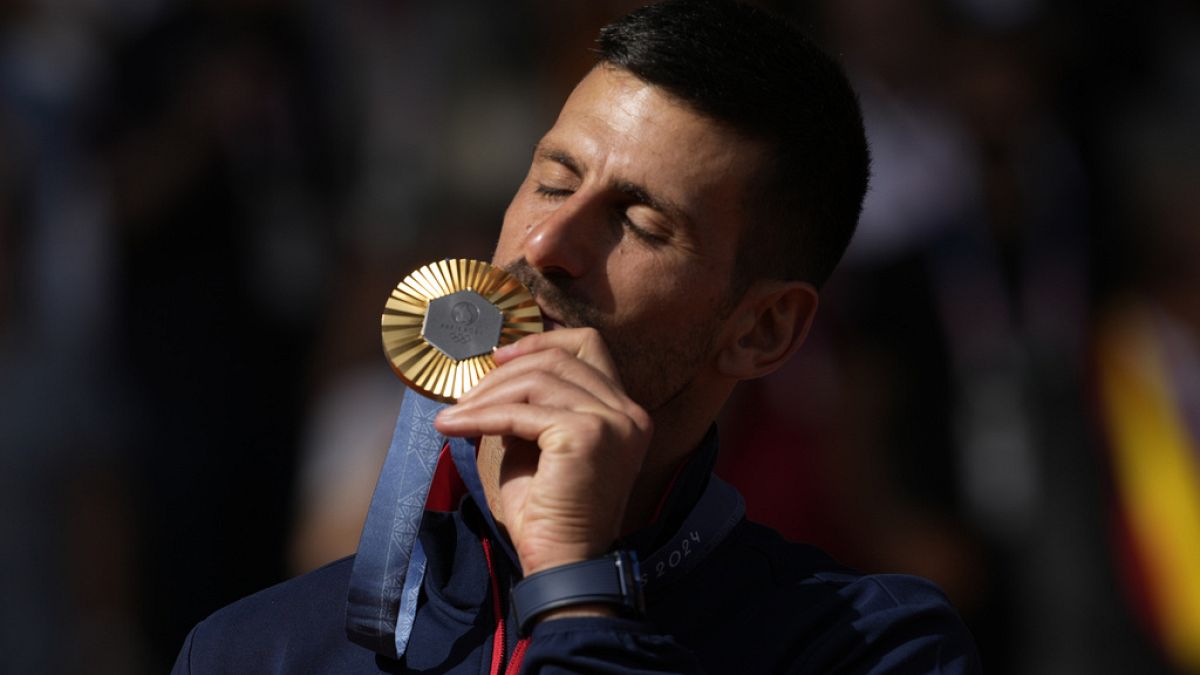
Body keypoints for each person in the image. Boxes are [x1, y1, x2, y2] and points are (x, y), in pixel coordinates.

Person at [171, 1, 981, 672]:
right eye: (551, 181)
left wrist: (571, 581)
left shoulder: (870, 647)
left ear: (762, 330)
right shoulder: (253, 650)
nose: (545, 244)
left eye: (639, 223)